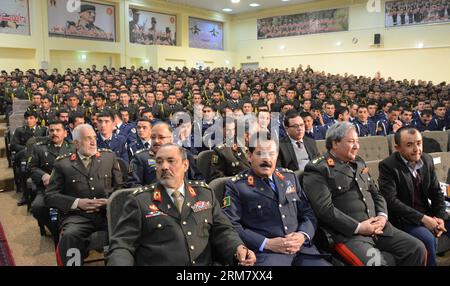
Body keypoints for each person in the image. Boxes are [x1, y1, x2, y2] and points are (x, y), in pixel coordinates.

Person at [107, 143, 256, 266]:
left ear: (185, 165)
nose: (164, 167)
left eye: (171, 161)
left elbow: (222, 230)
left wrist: (237, 249)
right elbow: (122, 246)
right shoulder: (140, 201)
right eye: (159, 162)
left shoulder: (204, 193)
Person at [302, 122, 427, 266]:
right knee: (376, 263)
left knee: (417, 248)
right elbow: (324, 209)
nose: (357, 146)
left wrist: (382, 216)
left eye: (357, 141)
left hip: (380, 228)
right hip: (350, 235)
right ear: (335, 143)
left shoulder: (359, 162)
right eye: (351, 142)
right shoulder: (318, 168)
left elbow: (377, 194)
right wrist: (359, 227)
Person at [223, 133, 330, 266]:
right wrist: (266, 243)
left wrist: (302, 236)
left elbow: (307, 213)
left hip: (302, 250)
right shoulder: (237, 186)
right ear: (249, 156)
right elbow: (231, 225)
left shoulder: (289, 177)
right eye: (260, 153)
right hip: (268, 255)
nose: (266, 159)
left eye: (271, 154)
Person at [44, 124, 123, 266]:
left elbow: (121, 188)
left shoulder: (108, 157)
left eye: (94, 137)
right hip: (78, 216)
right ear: (76, 143)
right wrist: (77, 202)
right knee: (69, 236)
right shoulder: (63, 164)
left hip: (108, 213)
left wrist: (109, 201)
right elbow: (50, 196)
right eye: (88, 139)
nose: (94, 142)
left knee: (128, 228)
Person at [378, 126, 449, 266]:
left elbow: (436, 192)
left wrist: (439, 217)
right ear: (397, 148)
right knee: (428, 238)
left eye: (419, 143)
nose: (416, 149)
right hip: (404, 219)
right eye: (409, 145)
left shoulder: (427, 159)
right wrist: (423, 219)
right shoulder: (388, 166)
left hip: (428, 214)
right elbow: (392, 201)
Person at [29, 120, 73, 243]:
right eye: (51, 130)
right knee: (37, 207)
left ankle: (69, 229)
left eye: (58, 130)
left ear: (65, 133)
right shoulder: (39, 148)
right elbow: (31, 168)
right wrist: (43, 175)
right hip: (47, 189)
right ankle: (55, 230)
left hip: (69, 187)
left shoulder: (73, 147)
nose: (54, 133)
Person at [126, 122, 203, 187]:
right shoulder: (140, 158)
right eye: (153, 137)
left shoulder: (184, 154)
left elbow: (197, 179)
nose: (156, 141)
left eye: (161, 137)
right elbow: (133, 185)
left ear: (171, 138)